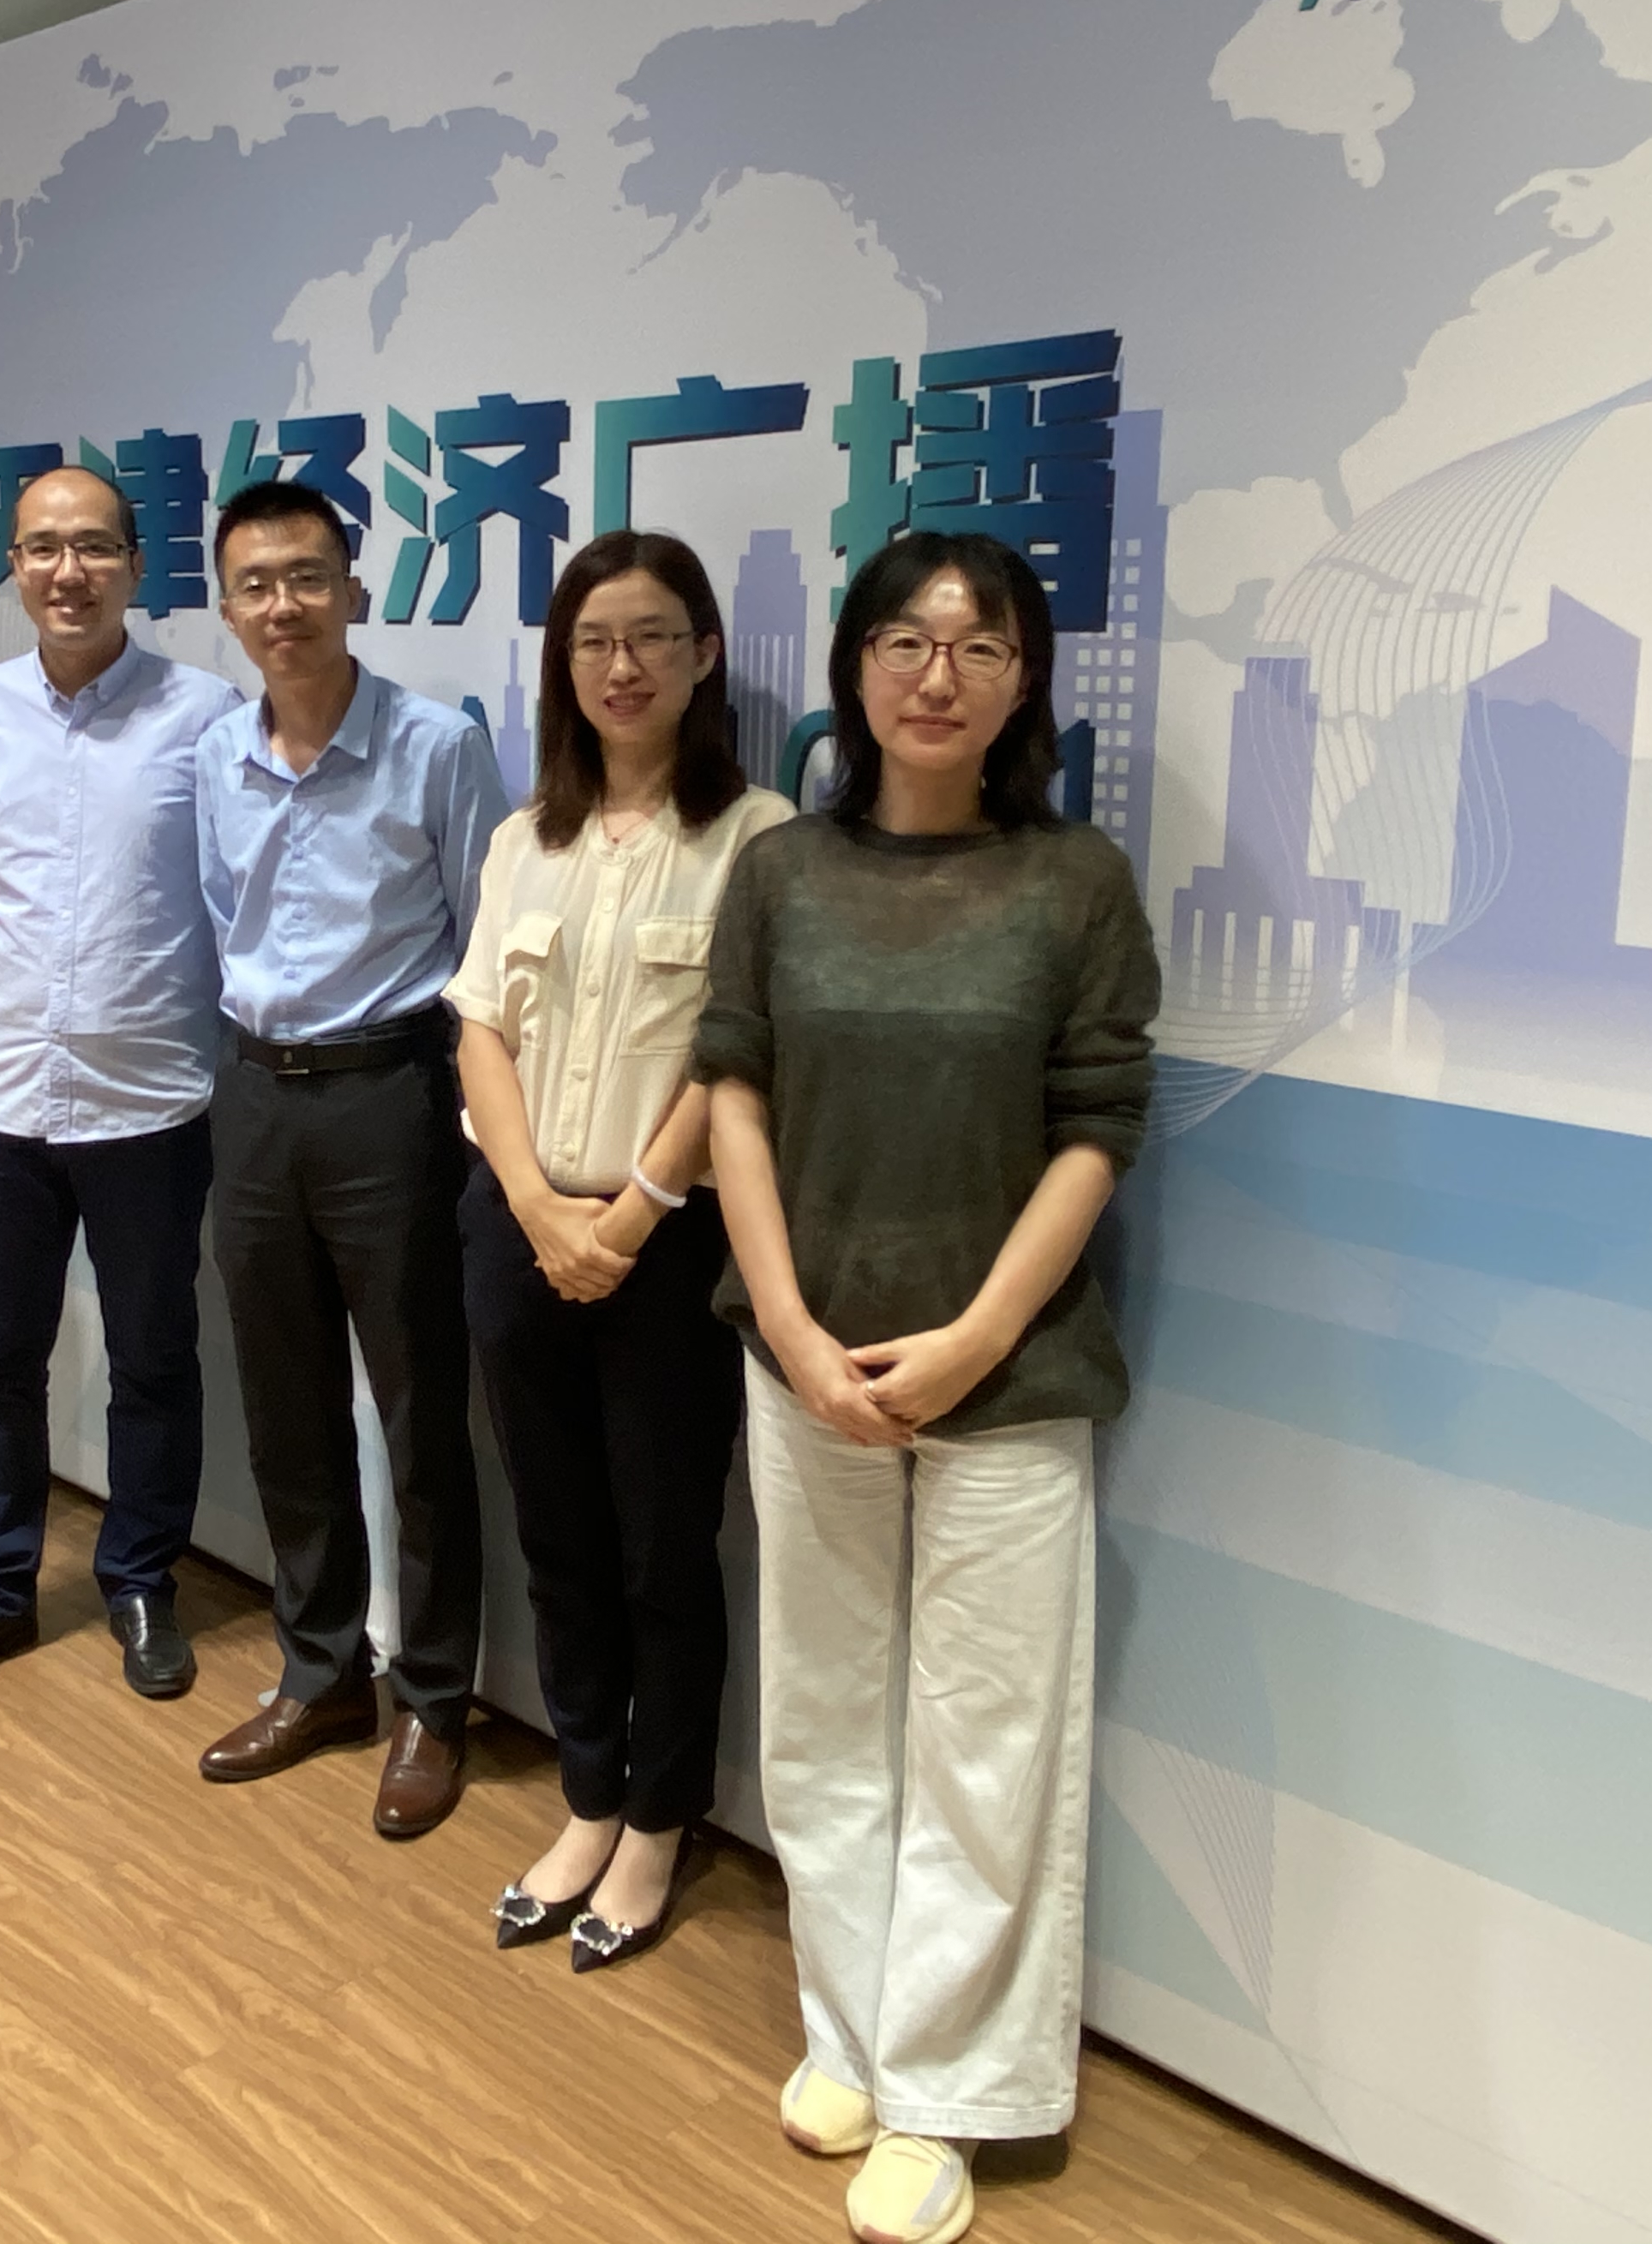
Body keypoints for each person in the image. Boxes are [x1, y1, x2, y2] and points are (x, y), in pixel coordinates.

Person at [693, 532, 1158, 2244]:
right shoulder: (782, 871)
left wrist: (970, 1340)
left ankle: (952, 2089)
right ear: (855, 669)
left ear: (1025, 681)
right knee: (822, 1716)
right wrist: (792, 1325)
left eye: (978, 647)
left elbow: (1099, 1126)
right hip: (803, 1363)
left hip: (1011, 1374)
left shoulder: (1076, 882)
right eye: (904, 640)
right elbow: (732, 1093)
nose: (937, 676)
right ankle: (856, 2037)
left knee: (987, 1737)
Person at [446, 531, 789, 1972]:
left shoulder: (760, 838)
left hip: (673, 1245)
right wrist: (536, 1207)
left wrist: (633, 1214)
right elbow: (479, 1027)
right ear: (563, 667)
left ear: (704, 655)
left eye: (652, 636)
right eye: (593, 642)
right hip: (520, 1227)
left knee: (663, 1549)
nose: (622, 666)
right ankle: (588, 1795)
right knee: (558, 1532)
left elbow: (737, 1052)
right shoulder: (526, 836)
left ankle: (660, 1821)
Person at [191, 477, 507, 1838]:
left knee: (422, 1412)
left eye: (308, 577)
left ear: (354, 591)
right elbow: (226, 920)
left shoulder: (438, 747)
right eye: (256, 584)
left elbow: (486, 945)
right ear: (227, 607)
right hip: (257, 1095)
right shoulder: (216, 756)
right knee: (288, 1404)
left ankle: (434, 1698)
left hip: (394, 1095)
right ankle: (320, 1673)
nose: (285, 605)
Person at [0, 467, 241, 1708]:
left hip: (151, 1100)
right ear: (15, 566)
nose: (67, 571)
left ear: (137, 566)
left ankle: (140, 1579)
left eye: (94, 547)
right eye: (42, 548)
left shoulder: (207, 714)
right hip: (2, 1099)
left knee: (154, 1358)